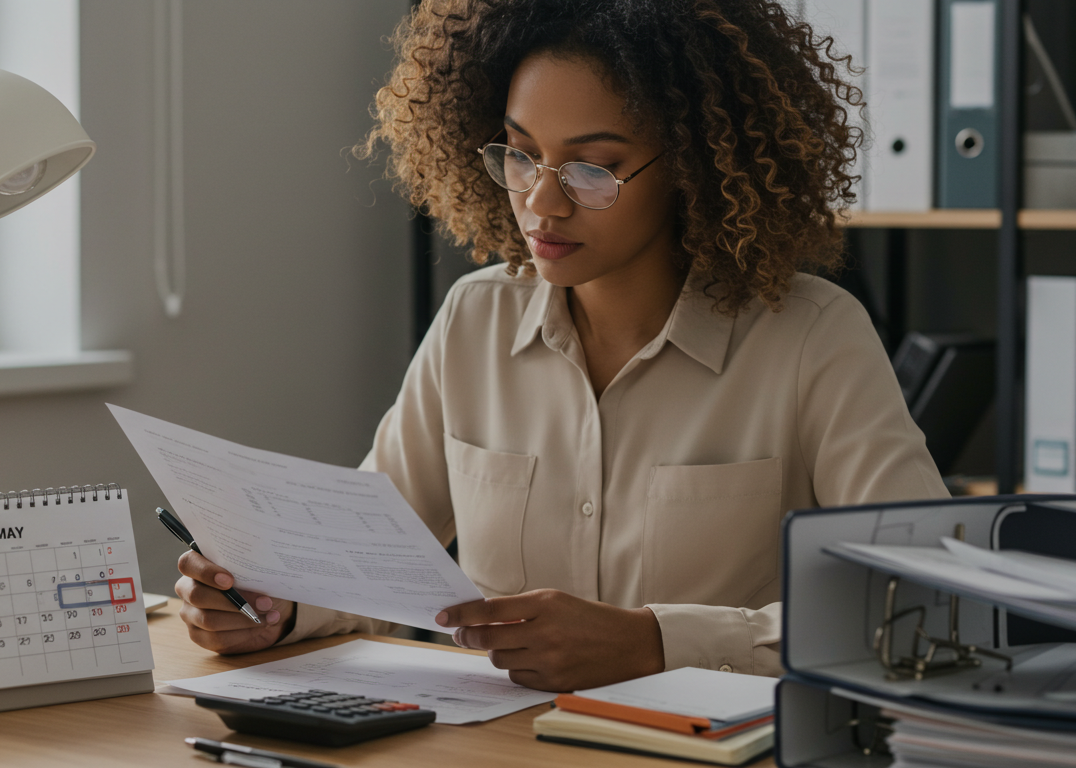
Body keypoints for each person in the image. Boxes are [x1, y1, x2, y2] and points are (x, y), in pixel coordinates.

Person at [173, 0, 948, 691]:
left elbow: (925, 604)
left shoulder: (811, 336)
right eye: (519, 154)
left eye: (592, 169)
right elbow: (367, 559)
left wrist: (656, 641)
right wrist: (274, 607)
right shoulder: (474, 320)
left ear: (694, 164)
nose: (541, 202)